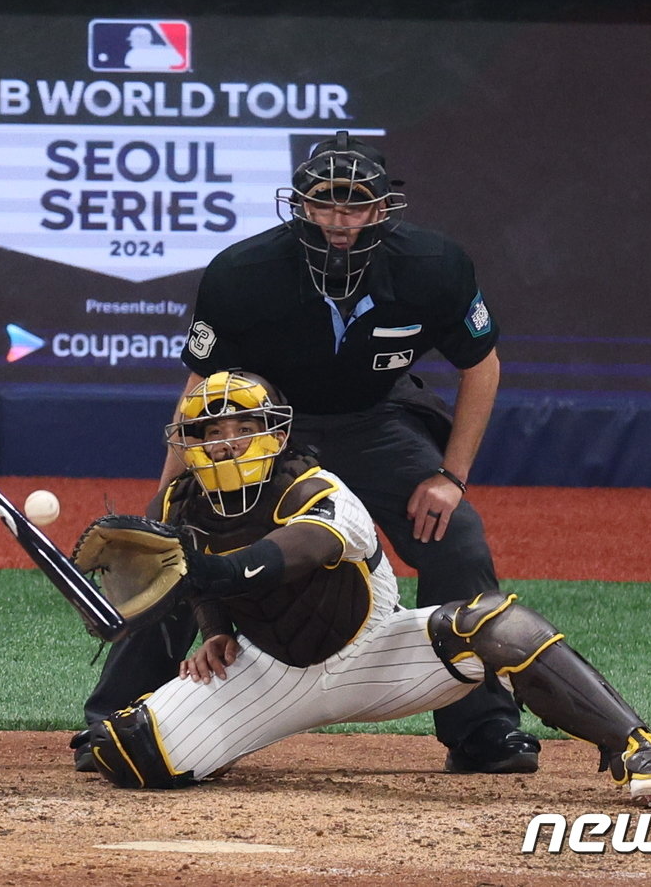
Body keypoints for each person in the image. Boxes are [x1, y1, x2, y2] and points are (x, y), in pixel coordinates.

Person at [74, 130, 531, 775]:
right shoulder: (242, 274)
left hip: (379, 419)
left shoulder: (436, 267)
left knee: (455, 535)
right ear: (299, 207)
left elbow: (481, 366)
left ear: (381, 210)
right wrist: (166, 496)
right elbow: (204, 389)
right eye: (324, 205)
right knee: (175, 544)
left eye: (354, 206)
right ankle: (117, 719)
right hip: (269, 426)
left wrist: (451, 477)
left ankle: (483, 730)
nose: (338, 222)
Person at [82, 371, 651, 808]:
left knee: (498, 625)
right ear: (187, 440)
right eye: (210, 428)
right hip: (270, 673)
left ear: (276, 433)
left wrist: (202, 575)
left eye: (244, 426)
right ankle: (226, 741)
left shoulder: (318, 491)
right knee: (127, 750)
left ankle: (635, 747)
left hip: (379, 655)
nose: (226, 441)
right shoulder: (177, 504)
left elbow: (282, 558)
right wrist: (213, 629)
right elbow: (199, 570)